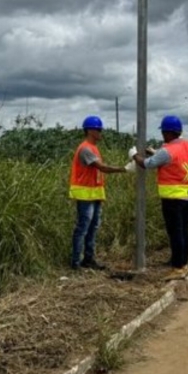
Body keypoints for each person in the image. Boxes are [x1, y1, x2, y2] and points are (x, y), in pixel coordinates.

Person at [133, 115, 188, 281]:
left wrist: (134, 155)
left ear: (168, 132)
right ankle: (184, 265)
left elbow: (147, 164)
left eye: (163, 132)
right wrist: (155, 153)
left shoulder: (167, 151)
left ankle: (177, 268)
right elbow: (175, 161)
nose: (163, 135)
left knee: (175, 233)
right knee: (184, 231)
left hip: (173, 199)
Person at [68, 115, 128, 270]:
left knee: (93, 227)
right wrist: (124, 169)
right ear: (89, 130)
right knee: (83, 228)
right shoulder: (86, 149)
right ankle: (76, 262)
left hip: (94, 194)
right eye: (98, 129)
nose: (101, 132)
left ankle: (88, 259)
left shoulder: (93, 148)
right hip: (85, 194)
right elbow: (102, 168)